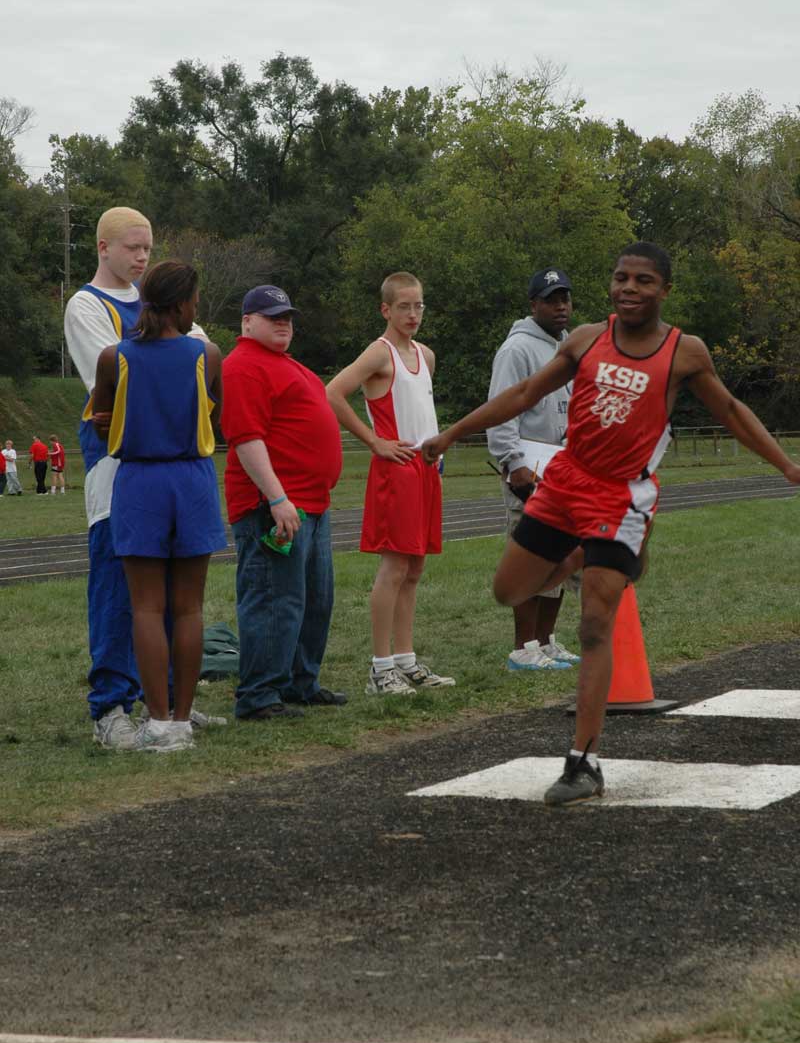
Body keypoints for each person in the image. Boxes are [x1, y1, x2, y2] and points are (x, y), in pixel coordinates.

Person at [422, 241, 800, 806]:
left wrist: (788, 468)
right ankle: (592, 555)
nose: (629, 289)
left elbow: (732, 413)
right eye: (621, 278)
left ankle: (583, 762)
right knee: (508, 591)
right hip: (566, 481)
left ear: (664, 290)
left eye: (643, 281)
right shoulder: (584, 340)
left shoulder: (685, 352)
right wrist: (452, 433)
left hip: (622, 497)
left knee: (595, 624)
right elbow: (524, 393)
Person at [64, 205, 223, 749]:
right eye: (131, 248)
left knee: (175, 594)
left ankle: (173, 700)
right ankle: (111, 705)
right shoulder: (87, 305)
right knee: (118, 592)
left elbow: (182, 360)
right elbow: (114, 383)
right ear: (103, 248)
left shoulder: (159, 304)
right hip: (117, 472)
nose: (139, 257)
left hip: (162, 469)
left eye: (147, 250)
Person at [221, 285, 347, 721]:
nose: (282, 323)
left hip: (311, 503)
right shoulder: (243, 365)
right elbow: (245, 437)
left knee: (314, 599)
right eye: (272, 316)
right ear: (247, 322)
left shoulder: (285, 365)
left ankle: (299, 682)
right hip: (273, 506)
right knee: (275, 600)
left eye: (287, 317)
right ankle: (258, 695)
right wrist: (276, 497)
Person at [326, 272, 455, 696]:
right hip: (396, 468)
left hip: (425, 468)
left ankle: (406, 660)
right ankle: (380, 669)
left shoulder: (426, 355)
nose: (413, 314)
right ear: (386, 309)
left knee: (415, 568)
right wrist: (374, 442)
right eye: (404, 306)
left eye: (418, 305)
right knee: (395, 565)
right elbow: (333, 393)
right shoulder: (379, 354)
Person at [487, 268, 578, 673]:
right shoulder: (517, 349)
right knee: (530, 557)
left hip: (560, 468)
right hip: (529, 467)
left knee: (558, 555)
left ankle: (545, 641)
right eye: (551, 299)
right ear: (534, 305)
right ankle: (523, 648)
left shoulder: (565, 347)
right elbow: (503, 408)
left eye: (565, 299)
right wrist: (513, 463)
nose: (561, 307)